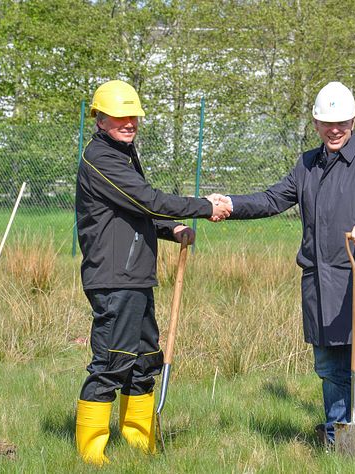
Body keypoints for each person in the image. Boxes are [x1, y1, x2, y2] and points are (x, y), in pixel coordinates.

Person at [214, 81, 355, 450]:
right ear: (316, 124)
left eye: (342, 123)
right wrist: (232, 204)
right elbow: (272, 199)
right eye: (326, 123)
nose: (335, 130)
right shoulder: (306, 165)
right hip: (319, 282)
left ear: (353, 120)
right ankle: (337, 434)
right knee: (330, 369)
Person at [74, 79, 231, 465]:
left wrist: (170, 229)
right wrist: (202, 206)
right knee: (112, 360)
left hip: (136, 276)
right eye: (120, 116)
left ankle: (139, 441)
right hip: (113, 278)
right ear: (100, 119)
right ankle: (91, 451)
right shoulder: (101, 158)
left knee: (144, 359)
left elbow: (137, 211)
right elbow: (147, 199)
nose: (129, 122)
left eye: (133, 116)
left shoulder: (123, 153)